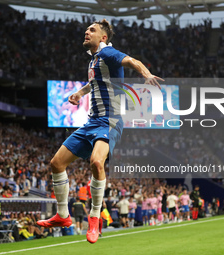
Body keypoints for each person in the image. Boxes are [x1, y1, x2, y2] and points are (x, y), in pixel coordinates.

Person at [37, 18, 163, 244]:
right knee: (56, 164)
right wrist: (80, 93)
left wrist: (146, 75)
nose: (87, 32)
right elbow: (95, 83)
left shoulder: (108, 53)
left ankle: (95, 217)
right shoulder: (94, 60)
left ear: (103, 37)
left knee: (96, 162)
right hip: (91, 122)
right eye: (86, 29)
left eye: (92, 30)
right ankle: (63, 216)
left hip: (110, 120)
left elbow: (133, 61)